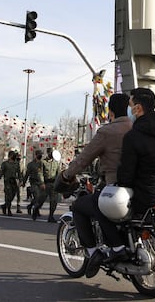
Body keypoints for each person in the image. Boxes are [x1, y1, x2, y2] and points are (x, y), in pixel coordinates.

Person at [101, 88, 155, 278]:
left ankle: (118, 250)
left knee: (110, 211)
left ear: (138, 109)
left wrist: (122, 182)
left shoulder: (133, 137)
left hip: (148, 196)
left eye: (130, 105)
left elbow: (126, 174)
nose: (129, 110)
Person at [59, 93, 133, 276]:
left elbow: (84, 158)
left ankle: (94, 251)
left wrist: (67, 174)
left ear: (111, 111)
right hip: (140, 186)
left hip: (114, 185)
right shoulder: (136, 128)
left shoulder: (107, 132)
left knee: (81, 206)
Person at [33, 147, 61, 222]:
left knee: (54, 201)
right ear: (48, 153)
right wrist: (42, 183)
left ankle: (51, 216)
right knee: (41, 201)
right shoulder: (42, 162)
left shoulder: (56, 162)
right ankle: (35, 209)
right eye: (50, 152)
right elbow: (40, 173)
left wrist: (58, 184)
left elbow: (58, 173)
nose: (52, 154)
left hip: (53, 184)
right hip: (46, 184)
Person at [0, 151, 20, 216]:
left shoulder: (16, 164)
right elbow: (1, 173)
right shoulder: (5, 164)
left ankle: (4, 206)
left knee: (13, 195)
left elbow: (19, 173)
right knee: (8, 196)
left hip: (14, 181)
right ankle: (8, 210)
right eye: (13, 155)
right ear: (10, 156)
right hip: (7, 182)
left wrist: (21, 180)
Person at [25, 150, 44, 220]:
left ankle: (30, 206)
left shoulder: (42, 164)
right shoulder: (31, 165)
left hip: (41, 183)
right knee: (37, 196)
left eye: (41, 154)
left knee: (39, 198)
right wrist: (23, 182)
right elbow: (27, 174)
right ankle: (35, 212)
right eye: (39, 154)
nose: (40, 156)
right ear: (36, 155)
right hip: (34, 183)